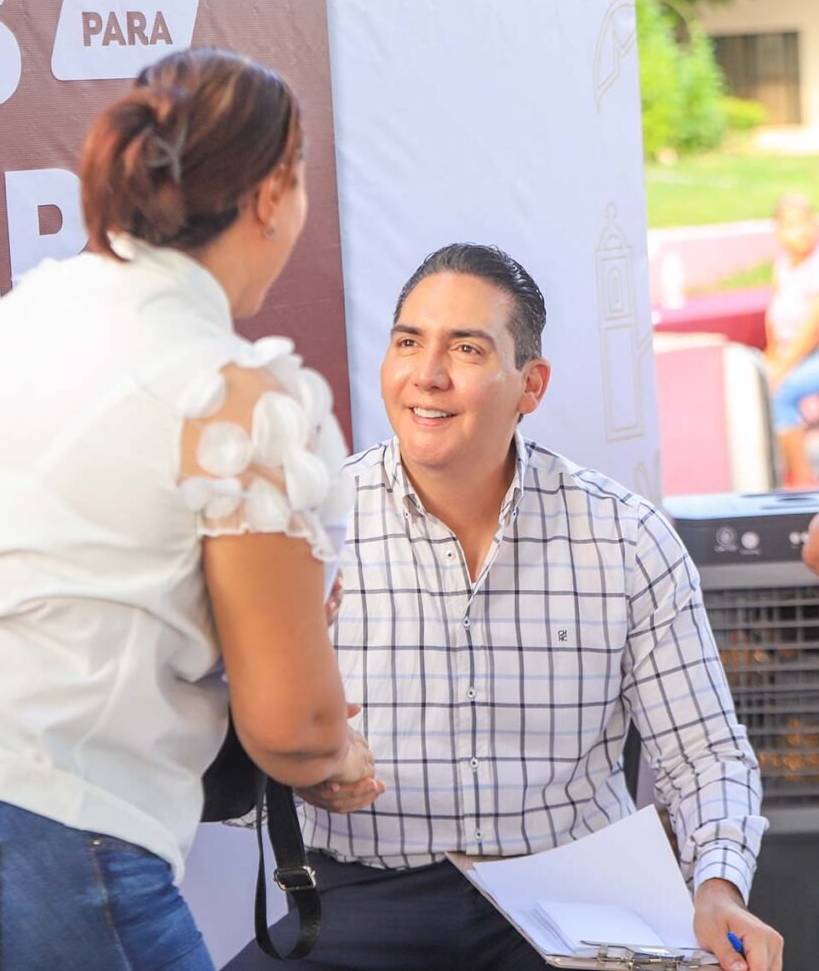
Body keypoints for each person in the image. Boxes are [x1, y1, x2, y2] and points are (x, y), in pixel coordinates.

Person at [0, 48, 376, 971]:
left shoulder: (18, 316)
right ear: (272, 195)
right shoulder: (243, 397)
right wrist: (339, 757)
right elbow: (292, 728)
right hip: (27, 833)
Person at [227, 243, 784, 971]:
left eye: (466, 349)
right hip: (359, 898)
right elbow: (227, 763)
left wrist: (716, 887)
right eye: (408, 343)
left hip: (578, 901)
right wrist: (300, 762)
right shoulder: (306, 529)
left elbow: (706, 754)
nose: (427, 375)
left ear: (531, 384)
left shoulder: (625, 536)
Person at [765, 193, 819, 489]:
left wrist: (782, 368)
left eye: (806, 222)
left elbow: (813, 328)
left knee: (781, 393)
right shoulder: (782, 266)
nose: (801, 231)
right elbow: (774, 317)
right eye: (792, 224)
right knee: (759, 384)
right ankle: (781, 470)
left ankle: (803, 479)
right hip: (795, 355)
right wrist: (771, 359)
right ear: (778, 230)